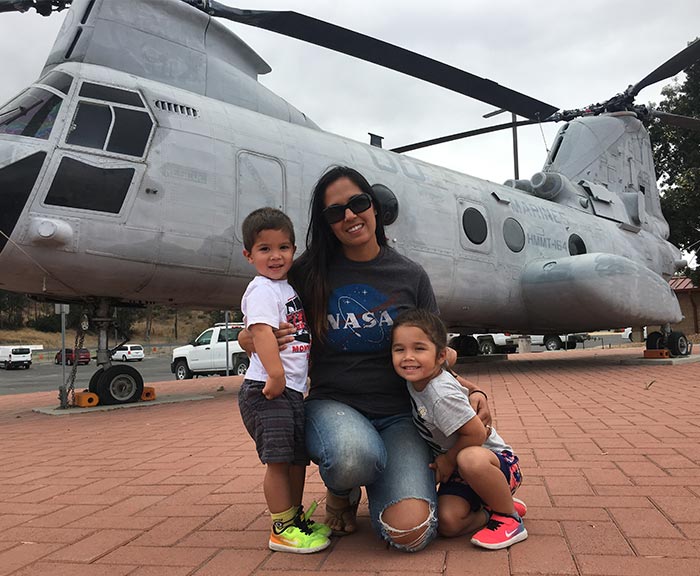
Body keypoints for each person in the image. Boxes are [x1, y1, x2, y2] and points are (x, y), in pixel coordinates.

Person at [240, 166, 491, 552]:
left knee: (411, 534)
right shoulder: (307, 272)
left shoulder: (410, 274)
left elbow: (432, 349)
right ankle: (342, 489)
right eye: (335, 211)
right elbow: (257, 321)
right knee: (353, 457)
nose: (350, 216)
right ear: (326, 223)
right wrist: (248, 338)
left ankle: (381, 483)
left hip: (400, 414)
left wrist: (471, 392)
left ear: (374, 207)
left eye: (358, 203)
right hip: (332, 405)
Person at [391, 309, 527, 550]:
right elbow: (449, 370)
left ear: (440, 355)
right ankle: (492, 506)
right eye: (399, 349)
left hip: (495, 463)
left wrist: (447, 460)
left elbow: (476, 434)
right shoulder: (417, 376)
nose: (408, 357)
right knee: (448, 523)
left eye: (419, 349)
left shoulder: (440, 394)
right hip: (461, 472)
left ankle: (508, 518)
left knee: (469, 458)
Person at [238, 207, 331, 554]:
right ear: (249, 255)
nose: (276, 256)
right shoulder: (262, 289)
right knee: (278, 461)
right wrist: (275, 374)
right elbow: (259, 332)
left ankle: (294, 519)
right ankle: (281, 527)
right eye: (265, 249)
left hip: (289, 390)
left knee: (295, 460)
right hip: (268, 389)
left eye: (284, 247)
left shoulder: (285, 288)